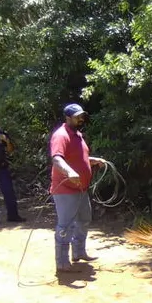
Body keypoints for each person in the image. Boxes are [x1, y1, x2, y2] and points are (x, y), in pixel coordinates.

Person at [49, 103, 107, 276]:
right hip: (65, 189)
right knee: (65, 225)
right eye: (77, 116)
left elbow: (78, 158)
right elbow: (57, 159)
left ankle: (79, 252)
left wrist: (92, 160)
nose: (81, 118)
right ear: (68, 117)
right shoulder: (61, 135)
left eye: (81, 115)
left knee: (84, 219)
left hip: (81, 188)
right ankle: (62, 262)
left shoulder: (77, 135)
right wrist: (69, 171)